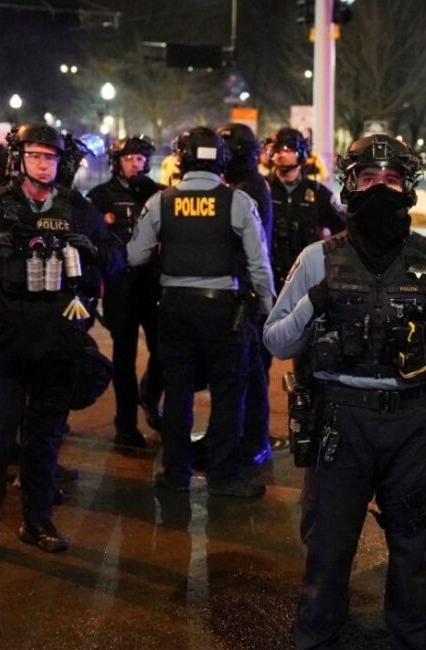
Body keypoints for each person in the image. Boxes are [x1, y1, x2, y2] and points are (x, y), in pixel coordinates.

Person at [264, 133, 426, 649]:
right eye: (368, 178)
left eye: (391, 178)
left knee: (414, 548)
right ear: (349, 185)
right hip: (340, 423)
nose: (380, 189)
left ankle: (413, 638)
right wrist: (317, 300)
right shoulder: (319, 258)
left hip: (413, 425)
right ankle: (316, 636)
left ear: (408, 186)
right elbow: (276, 340)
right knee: (328, 546)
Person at [0, 122, 124, 558]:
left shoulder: (76, 206)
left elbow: (116, 258)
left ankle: (38, 521)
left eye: (50, 157)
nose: (44, 164)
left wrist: (94, 252)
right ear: (18, 158)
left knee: (45, 441)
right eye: (35, 155)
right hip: (6, 343)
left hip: (59, 342)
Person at [128, 126, 273, 497]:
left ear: (182, 158)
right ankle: (224, 477)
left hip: (175, 307)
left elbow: (135, 255)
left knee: (178, 392)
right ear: (222, 158)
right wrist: (267, 308)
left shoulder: (160, 201)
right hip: (223, 309)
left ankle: (176, 474)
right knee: (228, 393)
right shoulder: (239, 201)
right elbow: (259, 264)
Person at [87, 135, 164, 447]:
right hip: (120, 286)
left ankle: (151, 394)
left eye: (140, 158)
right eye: (129, 158)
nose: (135, 163)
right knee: (124, 357)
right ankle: (126, 424)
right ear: (116, 162)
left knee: (163, 350)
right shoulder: (100, 196)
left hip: (154, 284)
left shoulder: (159, 193)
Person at [218, 122, 276, 464]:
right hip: (245, 290)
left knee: (250, 372)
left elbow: (249, 247)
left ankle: (253, 441)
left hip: (246, 295)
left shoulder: (248, 189)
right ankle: (245, 437)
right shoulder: (247, 185)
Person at [267, 127, 346, 291]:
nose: (281, 154)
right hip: (270, 275)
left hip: (307, 276)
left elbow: (343, 228)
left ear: (301, 152)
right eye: (277, 149)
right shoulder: (263, 189)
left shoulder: (317, 193)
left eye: (287, 149)